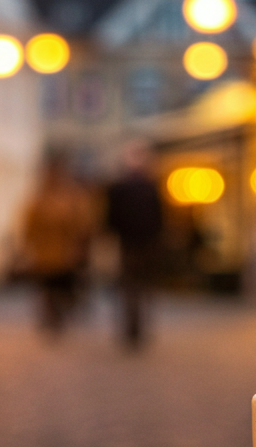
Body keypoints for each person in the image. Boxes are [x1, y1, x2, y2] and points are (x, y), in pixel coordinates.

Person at [21, 155, 94, 335]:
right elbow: (29, 225)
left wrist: (78, 246)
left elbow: (81, 224)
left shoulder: (70, 197)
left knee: (60, 287)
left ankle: (57, 314)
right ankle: (52, 316)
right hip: (46, 253)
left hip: (62, 253)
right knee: (48, 287)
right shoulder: (41, 199)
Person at [105, 141, 165, 349]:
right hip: (143, 244)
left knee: (131, 286)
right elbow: (160, 218)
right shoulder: (149, 187)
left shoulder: (120, 188)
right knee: (141, 286)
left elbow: (110, 219)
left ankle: (132, 326)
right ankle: (137, 326)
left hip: (129, 244)